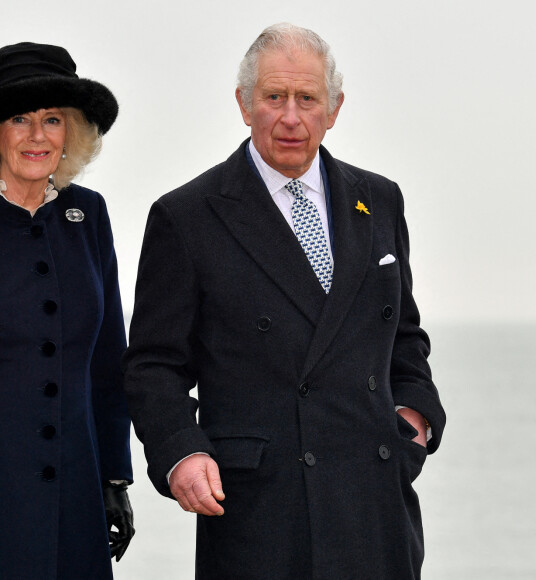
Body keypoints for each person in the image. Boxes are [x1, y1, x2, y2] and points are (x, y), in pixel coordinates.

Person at [124, 23, 445, 579]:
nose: (291, 117)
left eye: (307, 98)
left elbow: (403, 335)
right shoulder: (188, 215)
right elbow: (154, 364)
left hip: (374, 500)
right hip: (261, 511)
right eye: (274, 97)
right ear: (245, 105)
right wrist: (181, 450)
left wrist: (413, 415)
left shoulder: (380, 199)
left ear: (334, 107)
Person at [0, 42, 134, 579]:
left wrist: (113, 479)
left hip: (75, 490)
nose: (37, 135)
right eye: (19, 118)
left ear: (71, 132)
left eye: (53, 119)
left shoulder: (90, 215)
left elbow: (108, 358)